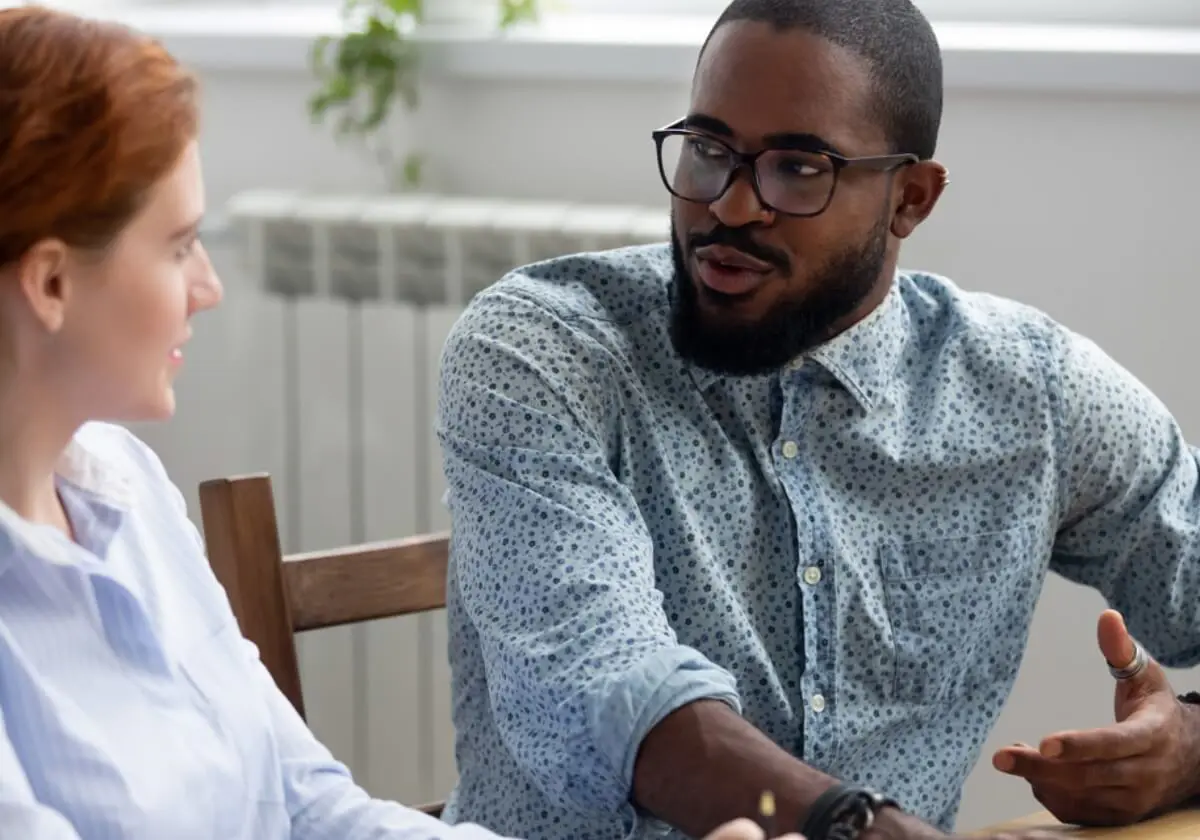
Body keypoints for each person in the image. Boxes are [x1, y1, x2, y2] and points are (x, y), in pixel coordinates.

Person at [0, 8, 789, 840]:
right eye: (178, 246)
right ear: (51, 284)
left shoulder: (125, 490)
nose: (208, 286)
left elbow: (307, 806)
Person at [434, 0, 1200, 838]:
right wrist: (861, 828)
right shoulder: (541, 350)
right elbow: (609, 694)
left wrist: (1191, 749)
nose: (731, 207)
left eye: (798, 168)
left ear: (911, 199)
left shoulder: (1029, 393)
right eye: (708, 150)